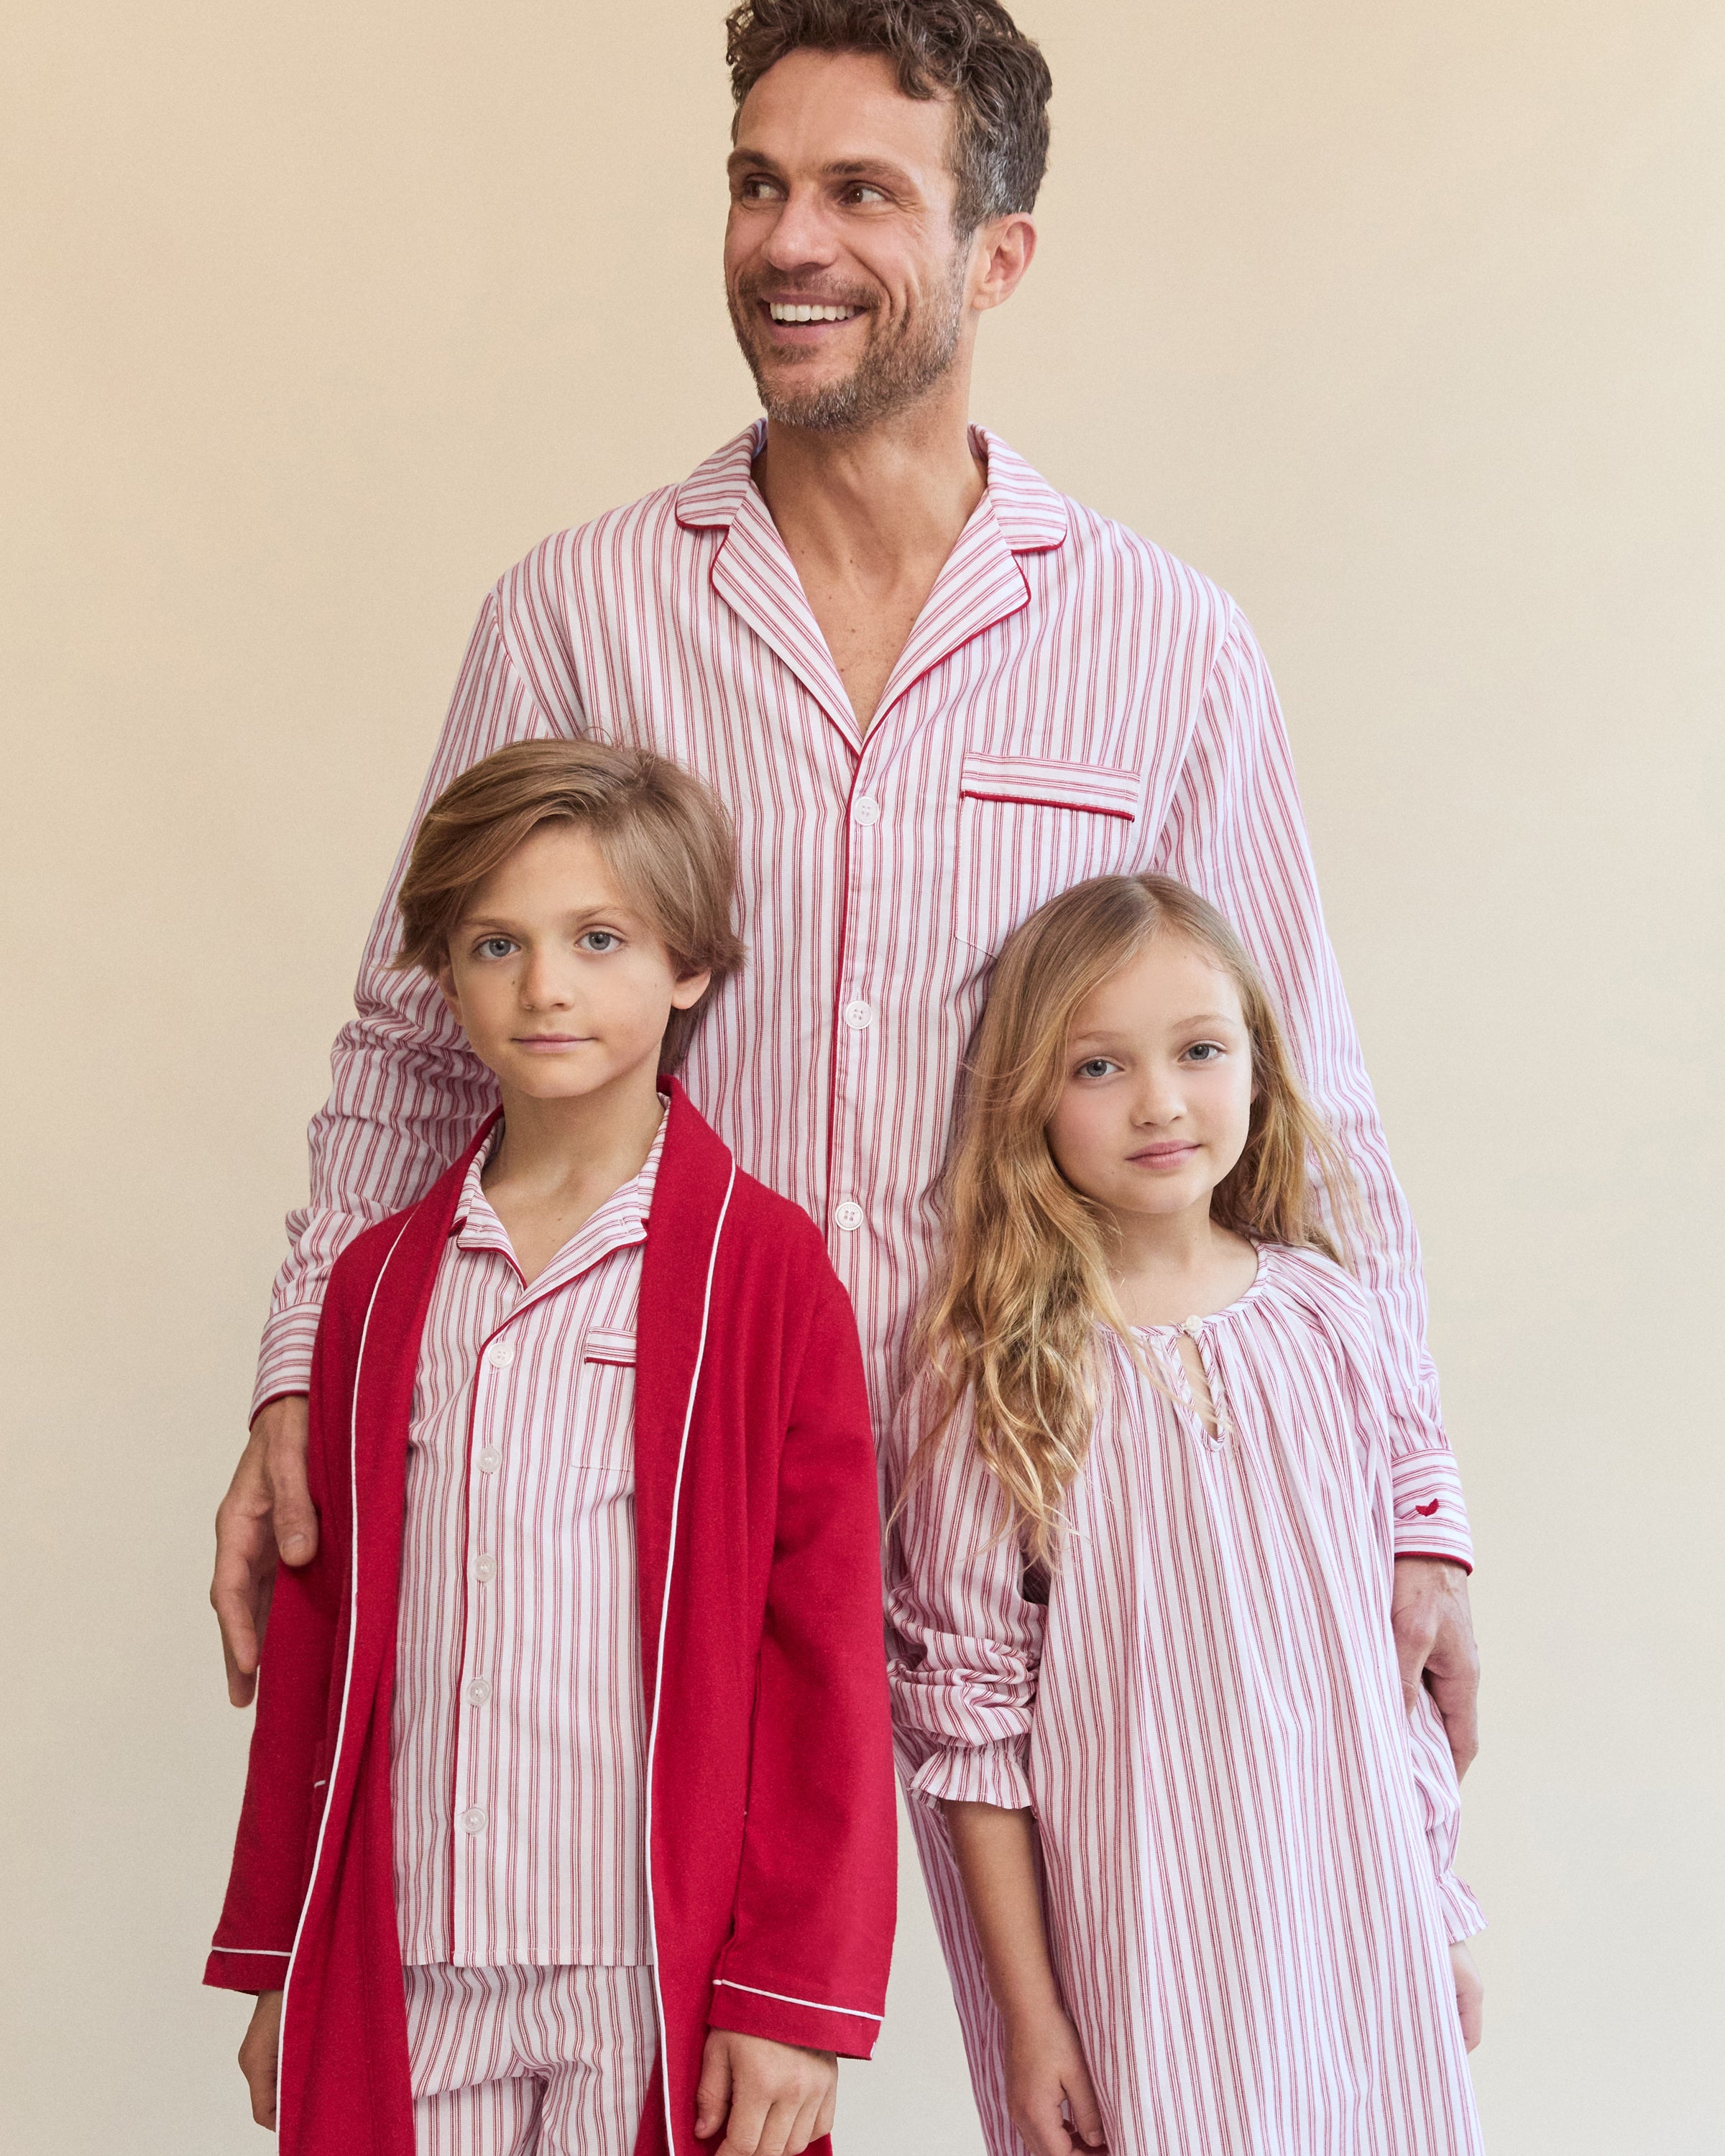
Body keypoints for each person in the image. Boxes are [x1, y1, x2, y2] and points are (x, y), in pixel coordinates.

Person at [210, 0, 1479, 2119]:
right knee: (640, 2081)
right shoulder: (585, 609)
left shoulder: (1165, 643)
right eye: (756, 183)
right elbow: (410, 1045)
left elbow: (1304, 1099)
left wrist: (1412, 1501)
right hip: (669, 1476)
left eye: (860, 192)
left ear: (998, 255)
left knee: (1168, 2100)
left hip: (1072, 1489)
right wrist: (292, 1390)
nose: (787, 240)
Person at [204, 740, 897, 2156]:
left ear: (690, 964)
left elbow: (823, 1650)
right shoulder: (383, 1283)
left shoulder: (764, 1273)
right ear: (446, 977)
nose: (546, 987)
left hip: (653, 1963)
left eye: (599, 939)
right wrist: (286, 1956)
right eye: (496, 945)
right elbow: (322, 1644)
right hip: (409, 1960)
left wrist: (794, 1998)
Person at [888, 872, 1484, 2156]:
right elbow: (973, 1714)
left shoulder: (1333, 1322)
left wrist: (1435, 1915)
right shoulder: (995, 1369)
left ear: (1261, 1067)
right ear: (1029, 1098)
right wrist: (1030, 2019)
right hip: (1148, 1971)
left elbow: (1389, 1692)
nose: (1160, 1101)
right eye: (1098, 1066)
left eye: (1200, 1051)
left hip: (1359, 1947)